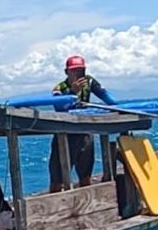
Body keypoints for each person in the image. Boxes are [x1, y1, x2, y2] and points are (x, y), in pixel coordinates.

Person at [48, 54, 117, 192]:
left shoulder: (89, 82)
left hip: (84, 134)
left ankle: (86, 205)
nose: (78, 74)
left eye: (81, 71)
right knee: (57, 179)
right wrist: (72, 92)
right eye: (74, 71)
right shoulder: (60, 88)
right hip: (65, 135)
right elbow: (59, 107)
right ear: (67, 72)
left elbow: (107, 98)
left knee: (85, 176)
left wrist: (119, 108)